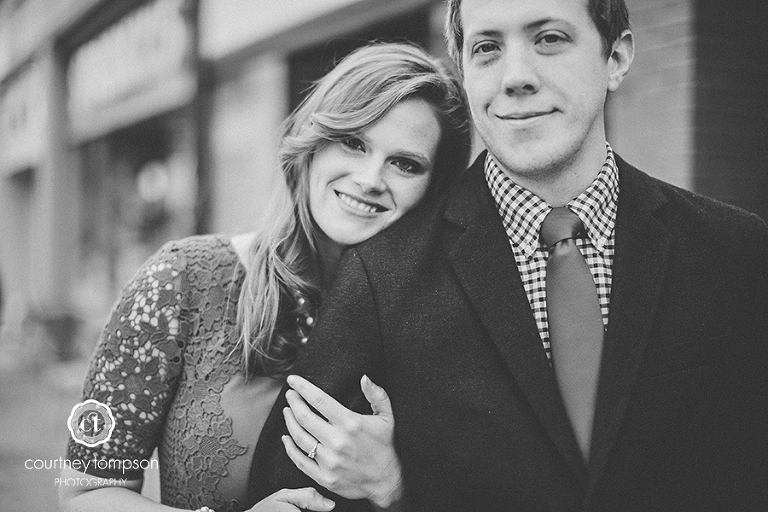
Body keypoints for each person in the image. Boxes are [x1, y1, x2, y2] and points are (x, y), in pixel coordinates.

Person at [254, 0, 768, 510]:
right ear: (464, 71)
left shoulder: (736, 253)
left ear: (616, 58)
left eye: (549, 39)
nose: (516, 76)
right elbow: (288, 496)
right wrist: (400, 494)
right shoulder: (380, 277)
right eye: (487, 47)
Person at [59, 42, 471, 512]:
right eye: (354, 142)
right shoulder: (180, 283)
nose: (370, 177)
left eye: (405, 163)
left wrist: (393, 488)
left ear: (434, 189)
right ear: (314, 141)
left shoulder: (447, 316)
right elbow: (85, 492)